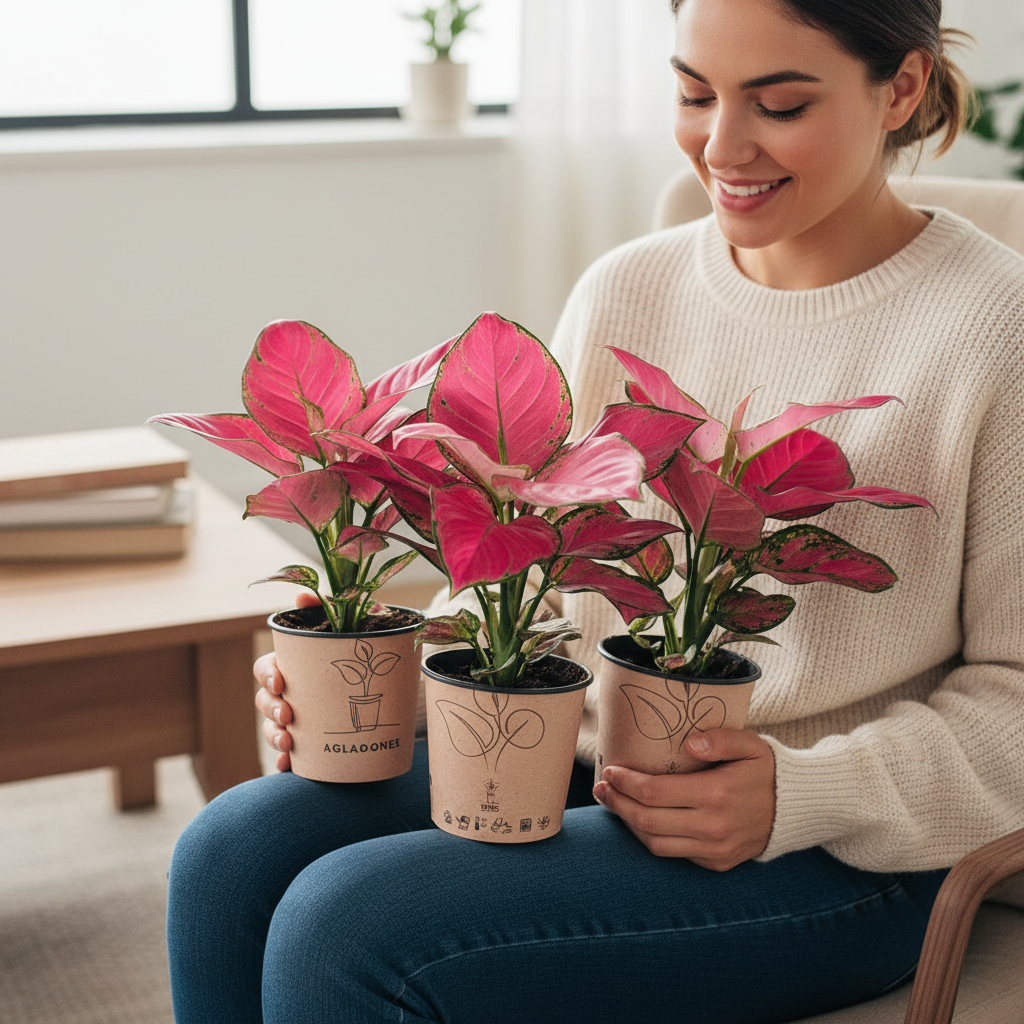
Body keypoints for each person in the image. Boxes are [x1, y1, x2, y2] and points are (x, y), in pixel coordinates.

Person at [166, 0, 1024, 1020]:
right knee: (231, 851)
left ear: (902, 87)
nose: (722, 145)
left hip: (842, 846)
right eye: (692, 93)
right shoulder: (631, 285)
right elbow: (547, 574)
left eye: (780, 104)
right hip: (579, 756)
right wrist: (389, 667)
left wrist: (802, 793)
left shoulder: (993, 324)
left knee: (346, 923)